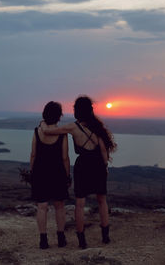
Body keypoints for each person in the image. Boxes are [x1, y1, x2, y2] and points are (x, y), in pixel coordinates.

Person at [41, 96, 117, 249]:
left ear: (77, 111)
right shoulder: (97, 127)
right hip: (98, 166)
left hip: (83, 167)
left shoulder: (73, 127)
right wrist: (105, 167)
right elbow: (103, 150)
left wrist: (42, 125)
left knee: (80, 204)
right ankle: (105, 236)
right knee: (102, 201)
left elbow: (50, 131)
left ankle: (82, 240)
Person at [30, 101, 70, 249]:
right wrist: (67, 176)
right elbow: (65, 157)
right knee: (59, 206)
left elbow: (33, 154)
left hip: (40, 172)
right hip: (57, 172)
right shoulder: (62, 134)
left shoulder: (37, 131)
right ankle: (61, 238)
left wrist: (32, 172)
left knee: (42, 207)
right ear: (59, 116)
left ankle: (43, 240)